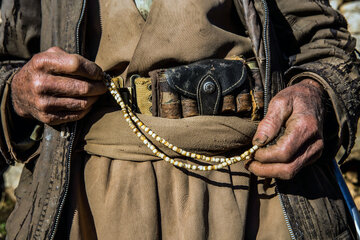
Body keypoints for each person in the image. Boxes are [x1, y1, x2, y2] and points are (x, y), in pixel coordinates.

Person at [0, 0, 359, 239]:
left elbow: (325, 43)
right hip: (87, 204)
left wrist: (316, 92)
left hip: (258, 195)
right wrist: (17, 91)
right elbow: (7, 61)